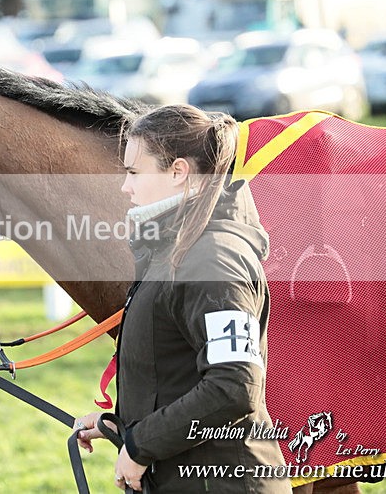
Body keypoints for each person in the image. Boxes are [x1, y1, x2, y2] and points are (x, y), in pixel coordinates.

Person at [75, 104, 291, 493]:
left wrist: (142, 446)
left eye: (134, 173)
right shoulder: (176, 247)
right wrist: (122, 425)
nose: (126, 187)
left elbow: (233, 386)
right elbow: (174, 372)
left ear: (178, 172)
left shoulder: (214, 259)